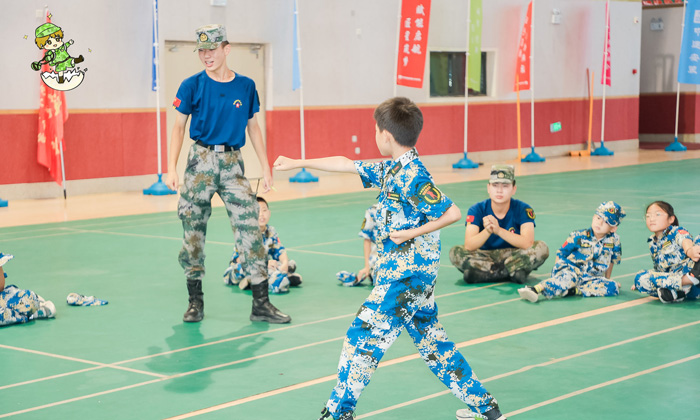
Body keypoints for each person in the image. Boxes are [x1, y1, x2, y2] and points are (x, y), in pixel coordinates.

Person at [274, 97, 507, 420]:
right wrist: (300, 161)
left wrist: (409, 234)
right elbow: (345, 163)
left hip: (407, 279)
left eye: (374, 129)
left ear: (385, 135)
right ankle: (487, 409)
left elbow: (451, 212)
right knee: (434, 346)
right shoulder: (391, 169)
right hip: (408, 279)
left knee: (361, 337)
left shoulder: (414, 174)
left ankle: (337, 413)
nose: (374, 134)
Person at [165, 24, 290, 324]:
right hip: (200, 162)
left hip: (234, 164)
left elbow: (254, 127)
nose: (206, 56)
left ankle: (261, 303)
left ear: (226, 48)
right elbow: (179, 127)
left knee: (250, 228)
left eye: (211, 50)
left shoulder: (245, 86)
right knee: (192, 233)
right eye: (202, 51)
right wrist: (171, 167)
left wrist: (266, 165)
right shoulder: (191, 85)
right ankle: (195, 301)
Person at [449, 164, 549, 284]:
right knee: (455, 252)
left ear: (513, 189)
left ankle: (487, 275)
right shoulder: (477, 209)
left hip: (513, 255)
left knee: (542, 248)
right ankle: (509, 272)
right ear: (488, 188)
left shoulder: (523, 209)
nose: (499, 190)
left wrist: (499, 230)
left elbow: (527, 243)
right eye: (495, 185)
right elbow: (469, 245)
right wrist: (488, 230)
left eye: (505, 186)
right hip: (485, 256)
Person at [518, 201, 625, 303]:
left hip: (590, 277)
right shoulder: (578, 236)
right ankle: (535, 289)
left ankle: (573, 291)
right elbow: (561, 253)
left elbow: (612, 261)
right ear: (593, 218)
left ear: (613, 228)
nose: (599, 223)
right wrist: (556, 276)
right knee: (568, 279)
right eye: (598, 218)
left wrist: (606, 279)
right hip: (570, 270)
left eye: (606, 222)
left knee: (613, 287)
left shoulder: (614, 241)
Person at [223, 196, 302, 294]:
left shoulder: (271, 231)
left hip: (265, 267)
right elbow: (243, 259)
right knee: (250, 269)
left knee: (291, 264)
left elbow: (280, 250)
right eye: (257, 211)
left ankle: (260, 280)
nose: (261, 215)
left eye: (264, 210)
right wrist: (266, 263)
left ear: (269, 213)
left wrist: (285, 264)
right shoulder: (245, 233)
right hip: (242, 268)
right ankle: (278, 279)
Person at [632, 201, 700, 303]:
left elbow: (684, 240)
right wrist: (648, 281)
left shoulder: (675, 231)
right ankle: (679, 290)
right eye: (648, 216)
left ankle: (689, 280)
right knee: (640, 278)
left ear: (671, 219)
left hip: (690, 270)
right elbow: (659, 270)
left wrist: (690, 251)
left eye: (657, 214)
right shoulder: (652, 243)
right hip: (681, 284)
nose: (652, 219)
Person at [1, 253, 56, 327]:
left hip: (4, 297)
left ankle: (34, 307)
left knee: (27, 297)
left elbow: (1, 285)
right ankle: (26, 314)